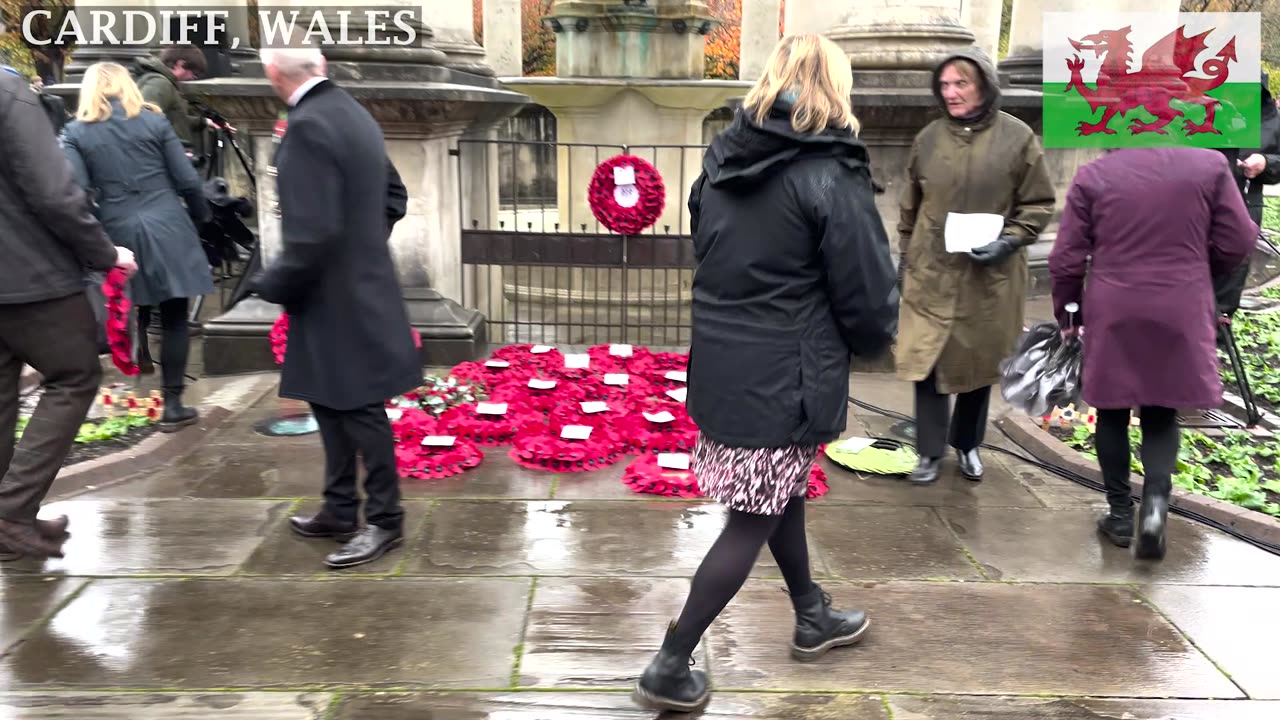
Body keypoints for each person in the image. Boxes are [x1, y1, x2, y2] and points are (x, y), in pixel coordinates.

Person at [631, 34, 899, 714]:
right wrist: (874, 340)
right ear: (834, 87)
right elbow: (865, 289)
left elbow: (709, 249)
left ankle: (813, 616)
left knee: (779, 492)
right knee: (752, 513)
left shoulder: (721, 163)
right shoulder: (830, 174)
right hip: (788, 370)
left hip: (726, 361)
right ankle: (670, 662)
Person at [248, 46, 420, 571]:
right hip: (358, 286)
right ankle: (341, 508)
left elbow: (312, 235)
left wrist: (269, 283)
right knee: (330, 402)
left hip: (330, 294)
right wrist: (364, 248)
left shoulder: (306, 127)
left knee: (359, 410)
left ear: (274, 75)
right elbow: (395, 196)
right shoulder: (354, 113)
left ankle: (385, 522)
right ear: (320, 67)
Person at [1049, 148, 1257, 560]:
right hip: (1181, 300)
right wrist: (1200, 269)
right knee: (1162, 409)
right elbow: (1240, 238)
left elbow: (1066, 257)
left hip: (1114, 304)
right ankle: (1156, 506)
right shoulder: (1210, 165)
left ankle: (1121, 515)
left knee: (1111, 409)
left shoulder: (1095, 174)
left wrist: (1067, 311)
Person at [896, 48, 1056, 485]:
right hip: (932, 270)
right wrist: (906, 256)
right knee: (925, 360)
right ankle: (928, 451)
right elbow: (910, 204)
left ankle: (967, 444)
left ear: (983, 84)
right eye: (944, 85)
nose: (951, 93)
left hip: (990, 277)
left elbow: (1039, 202)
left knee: (977, 365)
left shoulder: (1017, 137)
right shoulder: (928, 138)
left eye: (960, 83)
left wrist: (1009, 241)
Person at [0, 65, 137, 559]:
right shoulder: (6, 88)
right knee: (74, 376)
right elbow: (53, 192)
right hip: (29, 276)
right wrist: (105, 254)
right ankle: (11, 513)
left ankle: (11, 518)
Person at [61, 62, 213, 432]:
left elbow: (77, 192)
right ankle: (173, 403)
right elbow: (187, 179)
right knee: (175, 316)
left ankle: (133, 364)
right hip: (166, 223)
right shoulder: (154, 122)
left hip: (116, 228)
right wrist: (202, 217)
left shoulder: (76, 133)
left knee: (128, 305)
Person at [1213, 71, 1280, 318]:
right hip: (1200, 206)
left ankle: (1220, 328)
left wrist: (1266, 163)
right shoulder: (1208, 112)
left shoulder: (1271, 120)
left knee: (1231, 274)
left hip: (1245, 205)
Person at [131, 45, 208, 150]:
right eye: (194, 74)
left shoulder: (162, 82)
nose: (191, 79)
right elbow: (144, 118)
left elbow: (173, 119)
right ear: (180, 64)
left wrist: (203, 122)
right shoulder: (160, 83)